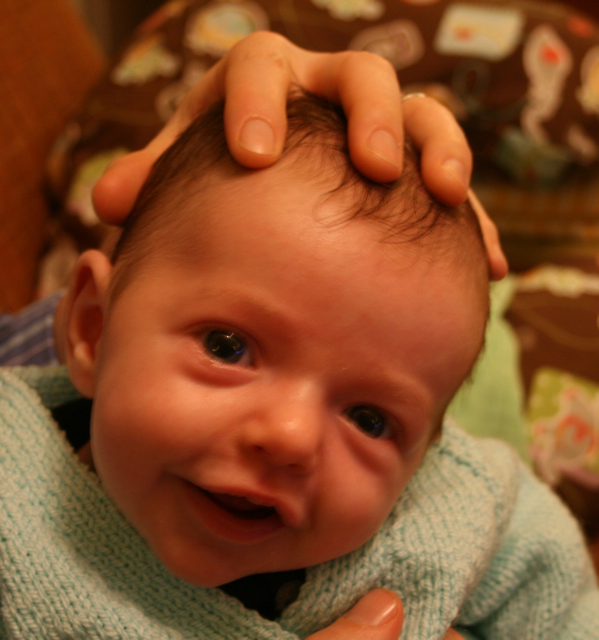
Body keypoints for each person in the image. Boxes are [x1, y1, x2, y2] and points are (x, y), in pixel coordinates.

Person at [1, 90, 597, 639]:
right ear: (93, 330)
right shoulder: (14, 490)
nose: (291, 436)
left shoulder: (454, 508)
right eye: (227, 348)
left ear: (422, 459)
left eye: (368, 419)